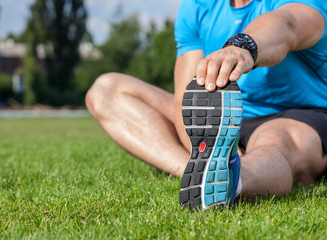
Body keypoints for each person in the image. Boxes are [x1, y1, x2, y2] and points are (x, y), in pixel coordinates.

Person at [85, 0, 327, 211]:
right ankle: (203, 172)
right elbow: (184, 99)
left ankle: (236, 180)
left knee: (275, 140)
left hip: (299, 115)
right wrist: (199, 148)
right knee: (107, 90)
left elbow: (287, 25)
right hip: (222, 114)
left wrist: (242, 47)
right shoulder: (197, 6)